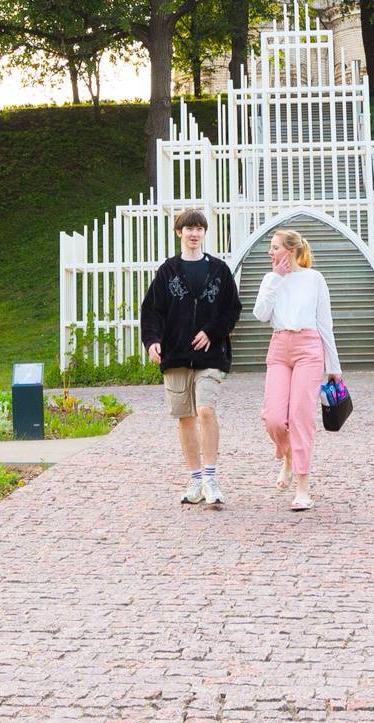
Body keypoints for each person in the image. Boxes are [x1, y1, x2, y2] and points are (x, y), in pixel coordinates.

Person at [141, 207, 238, 508]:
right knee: (185, 417)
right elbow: (152, 310)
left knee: (206, 410)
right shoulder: (167, 271)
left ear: (204, 233)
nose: (194, 233)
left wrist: (212, 332)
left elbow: (232, 309)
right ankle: (195, 479)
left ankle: (210, 477)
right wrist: (152, 341)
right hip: (175, 354)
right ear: (179, 232)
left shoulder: (219, 270)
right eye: (189, 228)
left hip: (210, 355)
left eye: (199, 228)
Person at [252, 227, 340, 512]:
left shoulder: (314, 279)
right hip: (279, 346)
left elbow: (325, 322)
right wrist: (275, 279)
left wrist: (334, 366)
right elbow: (260, 314)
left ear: (291, 250)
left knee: (301, 417)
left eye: (275, 247)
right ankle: (288, 456)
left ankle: (303, 488)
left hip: (309, 347)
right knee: (274, 418)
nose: (270, 252)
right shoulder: (270, 279)